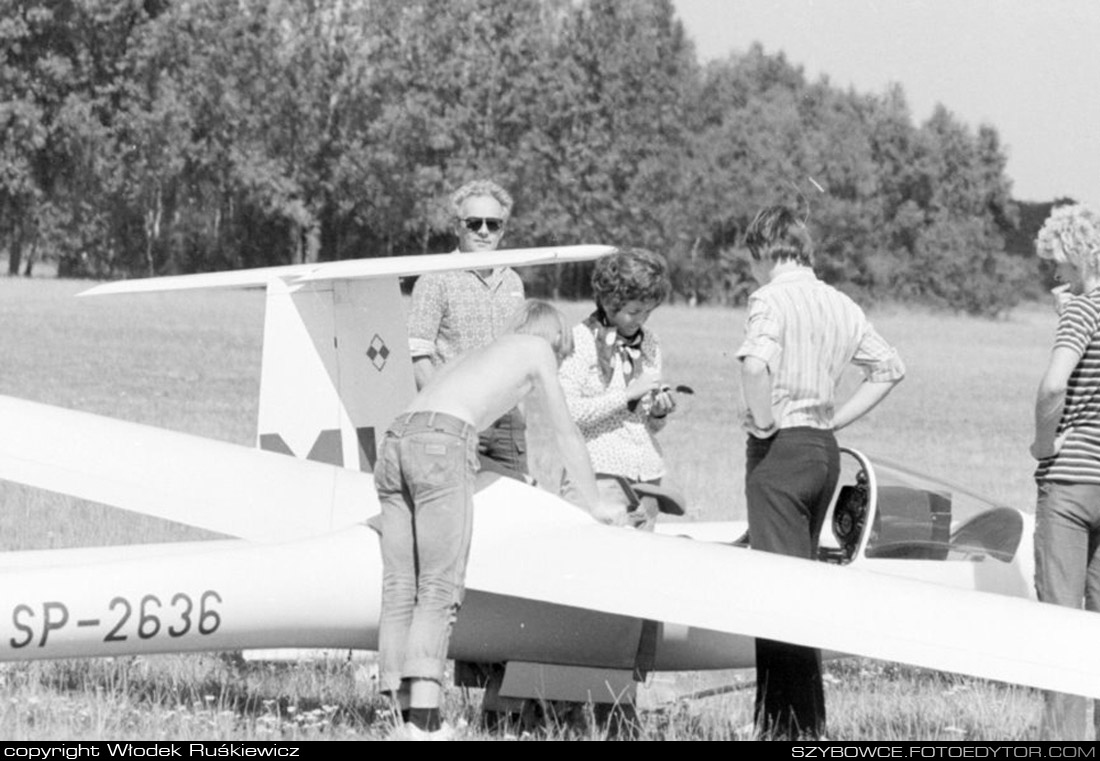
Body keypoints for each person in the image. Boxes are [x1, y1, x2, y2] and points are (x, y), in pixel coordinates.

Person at [376, 300, 604, 741]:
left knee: (400, 584)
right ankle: (425, 724)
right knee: (439, 587)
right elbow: (564, 431)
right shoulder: (537, 350)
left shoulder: (473, 355)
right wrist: (595, 504)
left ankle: (398, 713)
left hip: (396, 440)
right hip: (443, 441)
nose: (560, 360)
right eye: (564, 351)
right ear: (554, 336)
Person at [736, 205, 905, 740]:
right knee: (799, 588)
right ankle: (800, 722)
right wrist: (834, 418)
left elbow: (754, 364)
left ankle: (787, 727)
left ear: (764, 248)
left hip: (780, 451)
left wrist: (763, 425)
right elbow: (890, 369)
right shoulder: (841, 303)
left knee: (775, 594)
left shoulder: (769, 299)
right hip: (823, 450)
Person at [1030, 203, 1100, 740]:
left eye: (1055, 260)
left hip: (1072, 482)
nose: (1050, 271)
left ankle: (1065, 739)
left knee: (1061, 624)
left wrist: (1043, 439)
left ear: (1076, 256)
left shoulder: (1081, 310)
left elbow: (1056, 384)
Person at [407, 179, 527, 475]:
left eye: (493, 224)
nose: (484, 231)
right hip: (457, 420)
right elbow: (417, 356)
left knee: (515, 505)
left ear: (503, 229)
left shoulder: (513, 281)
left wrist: (519, 412)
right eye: (474, 223)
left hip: (507, 421)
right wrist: (451, 415)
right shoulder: (436, 278)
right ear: (457, 226)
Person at [558, 248, 675, 530]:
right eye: (633, 311)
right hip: (597, 477)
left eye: (648, 311)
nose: (641, 320)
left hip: (646, 478)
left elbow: (646, 424)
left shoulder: (651, 342)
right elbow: (566, 414)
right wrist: (627, 395)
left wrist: (658, 412)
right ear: (610, 302)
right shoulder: (580, 340)